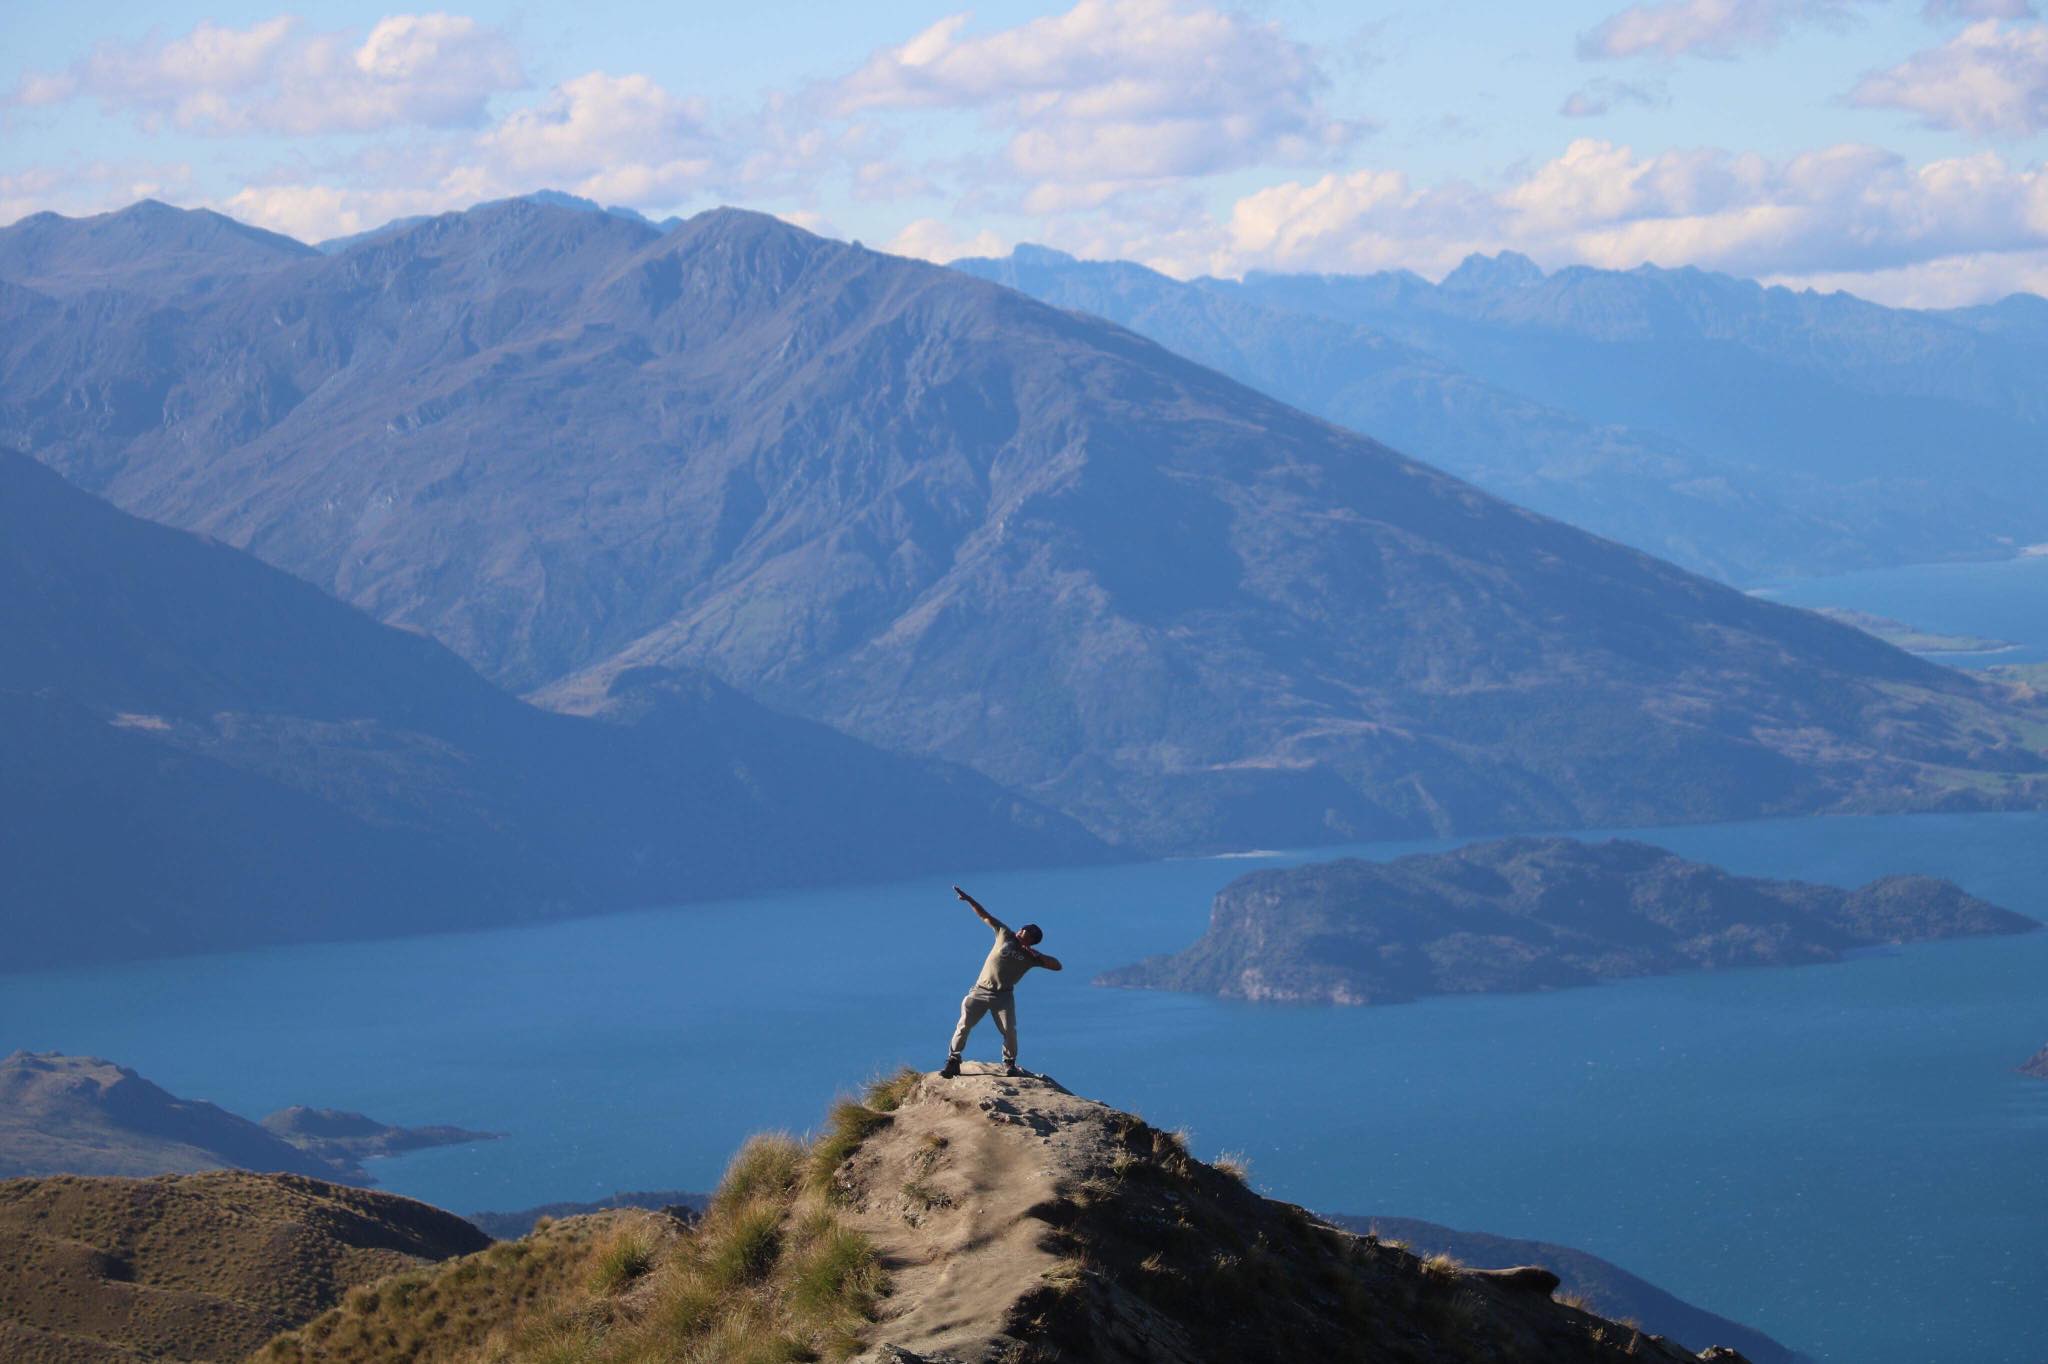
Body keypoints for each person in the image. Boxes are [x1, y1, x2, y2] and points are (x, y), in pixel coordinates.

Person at [940, 885, 1062, 1078]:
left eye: (1026, 935)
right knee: (963, 1025)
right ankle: (953, 1060)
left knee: (1009, 1031)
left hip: (1003, 997)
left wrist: (1037, 955)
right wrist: (969, 900)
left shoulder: (1032, 957)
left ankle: (1009, 1063)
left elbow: (1057, 966)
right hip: (980, 990)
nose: (1021, 934)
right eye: (1022, 931)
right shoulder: (1005, 934)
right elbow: (985, 916)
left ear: (1032, 941)